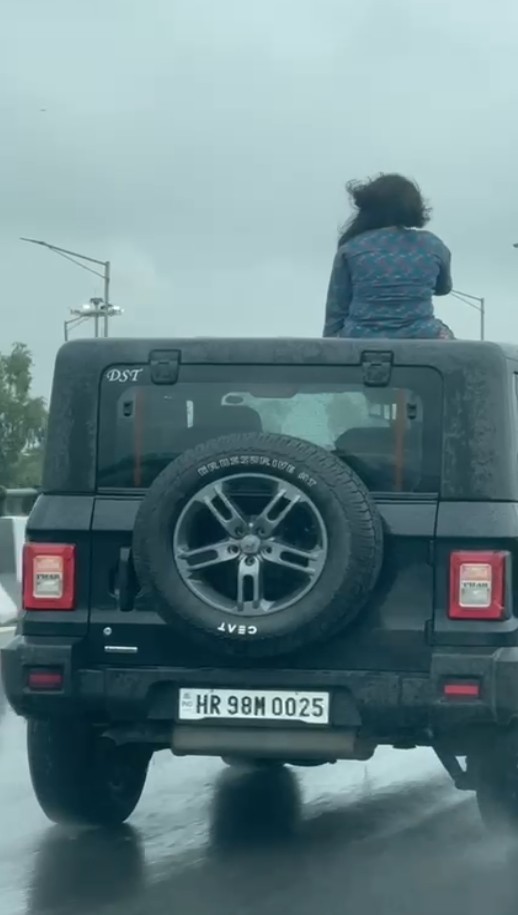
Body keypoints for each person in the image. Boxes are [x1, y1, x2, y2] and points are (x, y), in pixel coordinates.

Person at [323, 173, 454, 339]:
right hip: (421, 334)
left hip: (359, 335)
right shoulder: (433, 245)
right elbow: (444, 288)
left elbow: (336, 309)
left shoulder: (351, 248)